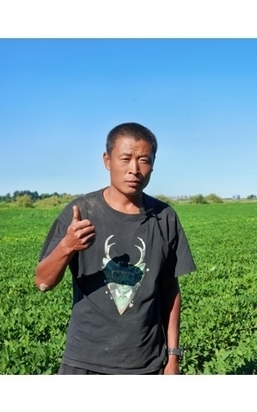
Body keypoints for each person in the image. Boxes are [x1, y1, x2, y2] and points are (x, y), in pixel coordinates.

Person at [35, 122, 196, 375]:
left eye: (144, 160)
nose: (134, 169)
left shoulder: (165, 217)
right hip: (85, 362)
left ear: (153, 164)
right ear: (107, 160)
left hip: (147, 363)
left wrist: (173, 355)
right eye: (125, 158)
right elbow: (42, 281)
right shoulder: (81, 212)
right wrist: (67, 246)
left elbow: (170, 291)